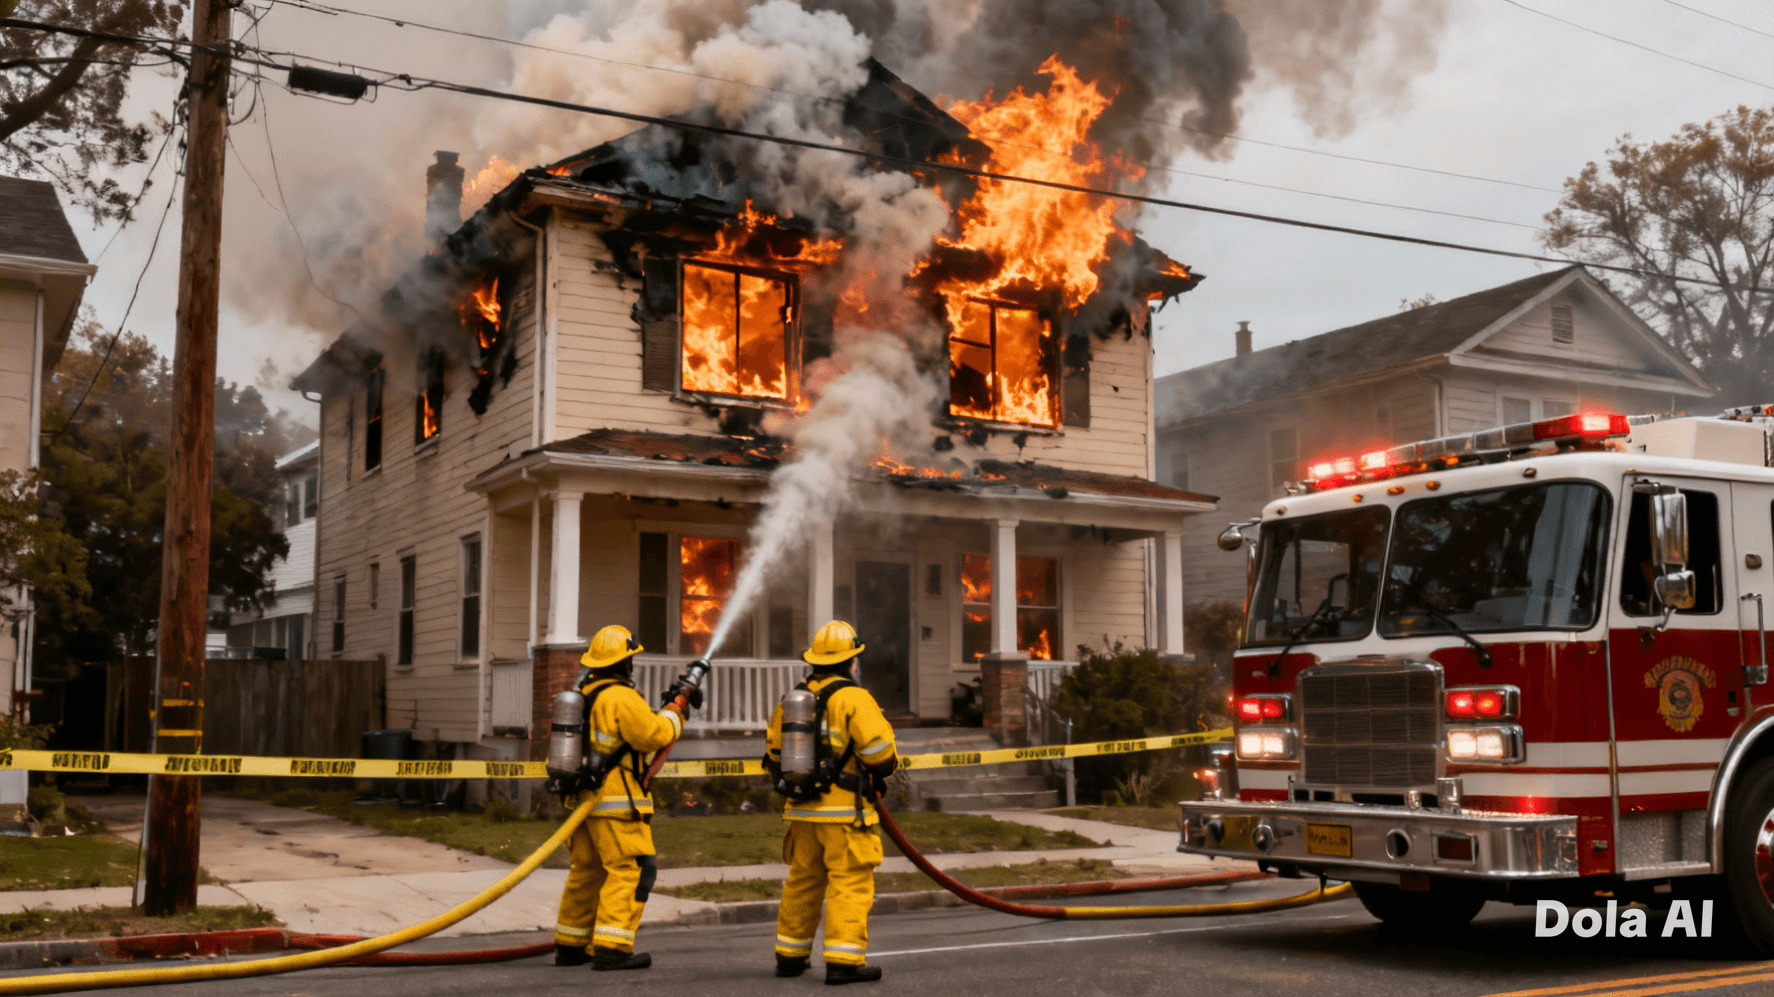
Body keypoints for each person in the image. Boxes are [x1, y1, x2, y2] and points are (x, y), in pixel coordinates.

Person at [550, 624, 701, 970]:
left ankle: (571, 945)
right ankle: (613, 947)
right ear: (625, 663)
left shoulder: (581, 693)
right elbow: (653, 735)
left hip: (581, 803)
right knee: (630, 869)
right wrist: (675, 712)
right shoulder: (620, 696)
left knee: (586, 870)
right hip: (616, 804)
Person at [765, 620, 898, 985]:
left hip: (802, 812)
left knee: (803, 881)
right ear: (852, 661)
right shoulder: (855, 698)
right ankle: (844, 961)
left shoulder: (792, 699)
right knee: (849, 884)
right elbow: (881, 755)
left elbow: (773, 754)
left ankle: (790, 956)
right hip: (844, 816)